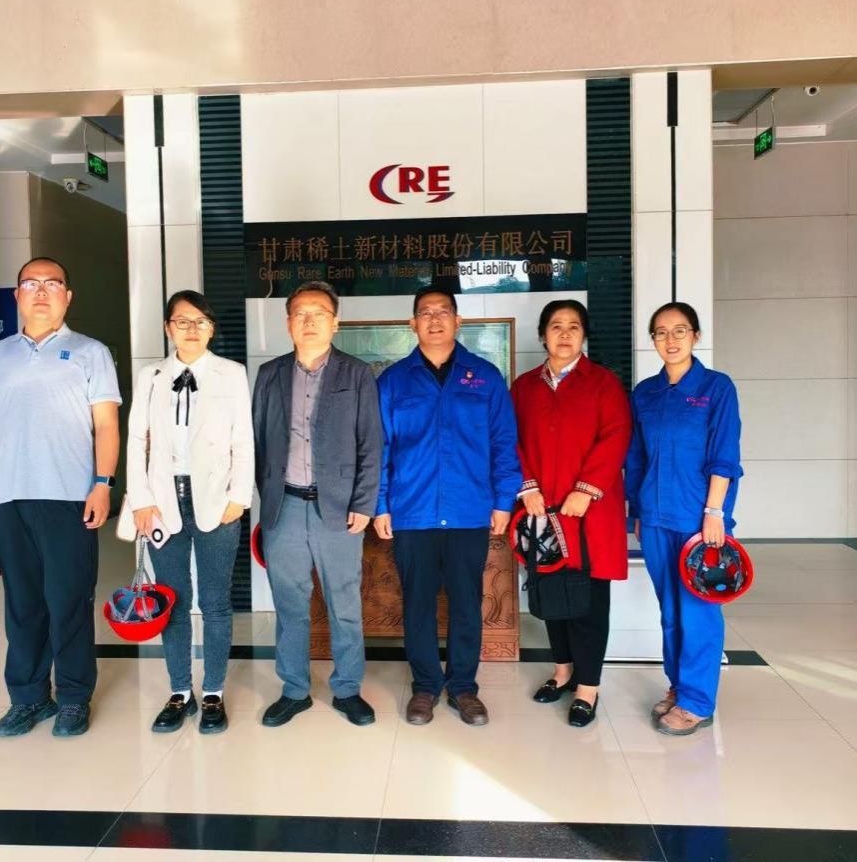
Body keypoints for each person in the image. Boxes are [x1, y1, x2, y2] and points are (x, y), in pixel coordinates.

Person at [0, 256, 122, 738]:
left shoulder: (90, 352)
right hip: (10, 499)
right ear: (17, 295)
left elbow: (106, 424)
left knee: (69, 600)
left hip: (70, 497)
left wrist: (103, 484)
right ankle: (28, 698)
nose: (42, 291)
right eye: (32, 284)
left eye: (53, 284)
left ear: (68, 296)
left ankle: (72, 698)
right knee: (23, 604)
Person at [374, 285, 523, 727]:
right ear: (412, 324)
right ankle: (425, 687)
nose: (435, 319)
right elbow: (380, 448)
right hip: (412, 511)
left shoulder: (486, 377)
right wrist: (380, 504)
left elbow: (504, 442)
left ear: (459, 321)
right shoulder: (393, 381)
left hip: (468, 509)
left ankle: (463, 687)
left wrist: (503, 500)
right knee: (417, 603)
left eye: (443, 312)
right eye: (425, 312)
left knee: (466, 603)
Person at [252, 281, 383, 728]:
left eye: (319, 313)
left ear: (335, 322)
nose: (309, 321)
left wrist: (363, 503)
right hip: (284, 506)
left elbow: (371, 443)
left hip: (339, 509)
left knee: (344, 602)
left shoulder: (357, 374)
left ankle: (347, 689)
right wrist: (267, 499)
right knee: (290, 604)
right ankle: (294, 690)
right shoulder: (269, 374)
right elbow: (258, 441)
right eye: (301, 314)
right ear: (288, 323)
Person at [125, 290, 253, 735]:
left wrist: (240, 496)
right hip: (163, 501)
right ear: (168, 328)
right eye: (182, 321)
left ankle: (213, 690)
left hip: (217, 500)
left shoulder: (231, 373)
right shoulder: (151, 376)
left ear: (212, 328)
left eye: (201, 321)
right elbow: (136, 440)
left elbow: (243, 439)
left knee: (215, 602)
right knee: (172, 599)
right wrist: (141, 499)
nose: (192, 329)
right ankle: (180, 690)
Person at [510, 300, 631, 728]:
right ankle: (562, 672)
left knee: (590, 602)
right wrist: (527, 487)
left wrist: (586, 489)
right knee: (551, 595)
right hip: (542, 510)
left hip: (590, 514)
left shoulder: (603, 383)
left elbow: (617, 435)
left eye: (574, 326)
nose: (564, 334)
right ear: (543, 335)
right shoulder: (524, 387)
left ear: (584, 335)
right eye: (556, 326)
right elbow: (508, 440)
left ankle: (588, 688)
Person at [625, 301, 743, 736]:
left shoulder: (716, 388)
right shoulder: (645, 393)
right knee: (671, 610)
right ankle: (678, 685)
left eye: (679, 331)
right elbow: (636, 459)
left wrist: (714, 512)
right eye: (661, 332)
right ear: (653, 340)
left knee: (699, 612)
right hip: (656, 518)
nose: (670, 339)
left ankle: (697, 701)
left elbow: (724, 455)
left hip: (699, 519)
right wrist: (637, 512)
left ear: (696, 336)